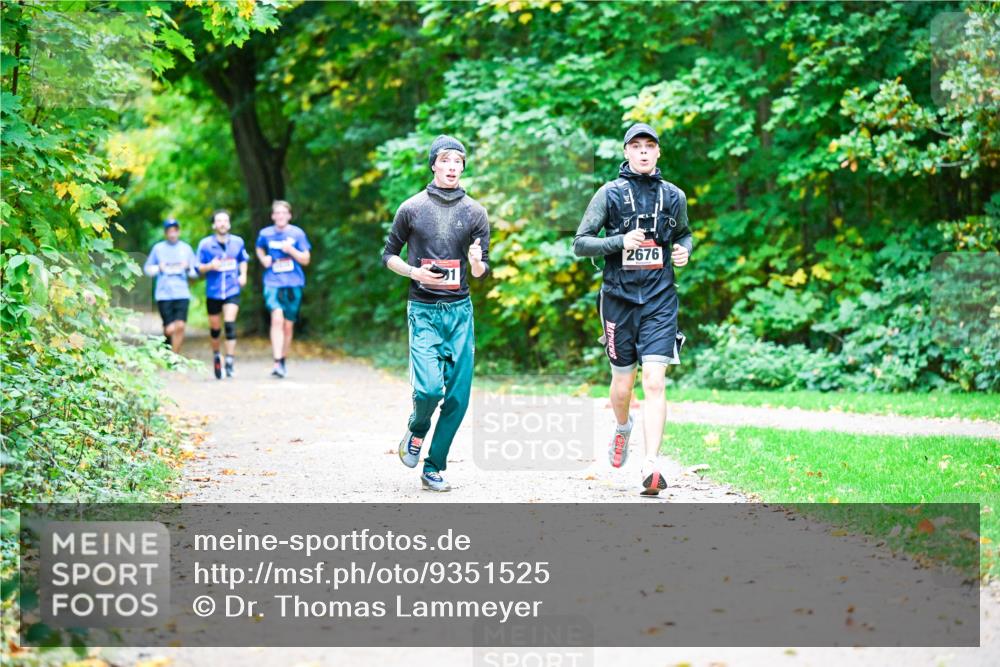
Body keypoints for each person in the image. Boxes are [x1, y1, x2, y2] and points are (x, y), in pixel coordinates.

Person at [572, 123, 693, 496]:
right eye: (635, 146)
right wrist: (620, 240)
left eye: (649, 146)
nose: (643, 152)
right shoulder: (609, 194)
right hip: (618, 300)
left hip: (660, 300)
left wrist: (684, 249)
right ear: (626, 152)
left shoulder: (674, 196)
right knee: (623, 384)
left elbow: (684, 232)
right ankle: (622, 427)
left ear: (658, 153)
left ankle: (650, 465)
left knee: (655, 381)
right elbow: (580, 243)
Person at [382, 135, 491, 492]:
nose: (451, 167)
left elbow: (480, 270)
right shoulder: (411, 208)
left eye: (457, 161)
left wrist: (476, 262)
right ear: (433, 165)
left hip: (459, 311)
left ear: (463, 167)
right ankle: (416, 428)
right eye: (445, 161)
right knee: (429, 390)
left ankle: (434, 465)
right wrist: (415, 272)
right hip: (424, 310)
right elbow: (389, 256)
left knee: (458, 396)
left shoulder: (475, 212)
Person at [255, 200, 311, 378]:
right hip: (272, 282)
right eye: (277, 213)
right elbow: (259, 248)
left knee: (288, 325)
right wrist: (263, 259)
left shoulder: (297, 234)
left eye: (283, 213)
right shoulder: (265, 234)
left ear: (289, 215)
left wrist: (291, 250)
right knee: (276, 318)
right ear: (273, 216)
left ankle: (283, 359)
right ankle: (277, 360)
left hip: (294, 282)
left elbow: (306, 259)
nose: (280, 216)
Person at [197, 209, 249, 379]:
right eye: (219, 221)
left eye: (225, 220)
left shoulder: (238, 242)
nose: (222, 223)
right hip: (213, 291)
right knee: (215, 329)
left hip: (232, 289)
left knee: (229, 324)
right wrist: (210, 266)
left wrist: (243, 275)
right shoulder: (205, 244)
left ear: (229, 224)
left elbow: (243, 260)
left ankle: (230, 360)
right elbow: (198, 268)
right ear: (214, 225)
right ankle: (216, 355)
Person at [144, 218, 199, 354]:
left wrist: (187, 268)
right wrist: (159, 268)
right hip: (164, 294)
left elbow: (195, 273)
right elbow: (147, 269)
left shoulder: (186, 249)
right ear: (165, 233)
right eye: (169, 231)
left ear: (178, 232)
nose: (172, 234)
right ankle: (167, 347)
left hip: (182, 293)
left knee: (180, 326)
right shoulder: (158, 249)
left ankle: (174, 357)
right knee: (169, 329)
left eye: (175, 231)